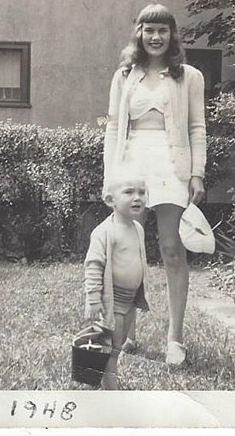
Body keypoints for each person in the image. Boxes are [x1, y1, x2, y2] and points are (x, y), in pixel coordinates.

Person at [103, 3, 206, 365]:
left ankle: (175, 338)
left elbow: (196, 128)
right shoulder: (125, 76)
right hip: (132, 164)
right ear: (139, 34)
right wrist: (110, 176)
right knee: (129, 249)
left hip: (172, 165)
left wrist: (197, 173)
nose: (156, 37)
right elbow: (114, 128)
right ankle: (126, 331)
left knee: (171, 248)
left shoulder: (188, 76)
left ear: (172, 35)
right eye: (149, 30)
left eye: (163, 30)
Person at [84, 167, 150, 390]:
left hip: (130, 301)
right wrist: (93, 299)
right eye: (129, 192)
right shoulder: (104, 232)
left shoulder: (138, 229)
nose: (137, 198)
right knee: (111, 348)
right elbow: (93, 265)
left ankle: (101, 375)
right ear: (110, 199)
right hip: (112, 303)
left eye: (142, 192)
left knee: (117, 345)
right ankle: (110, 388)